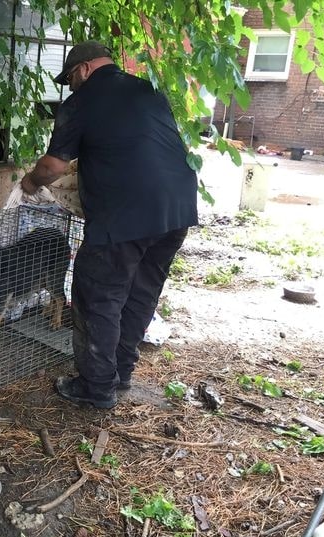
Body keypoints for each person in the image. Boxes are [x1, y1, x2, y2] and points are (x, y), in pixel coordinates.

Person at [21, 41, 198, 409]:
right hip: (176, 210)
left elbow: (53, 166)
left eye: (70, 78)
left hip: (125, 216)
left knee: (96, 295)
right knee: (140, 292)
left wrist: (31, 182)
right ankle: (120, 371)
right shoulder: (147, 89)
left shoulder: (82, 101)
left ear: (83, 69)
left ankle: (96, 387)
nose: (70, 86)